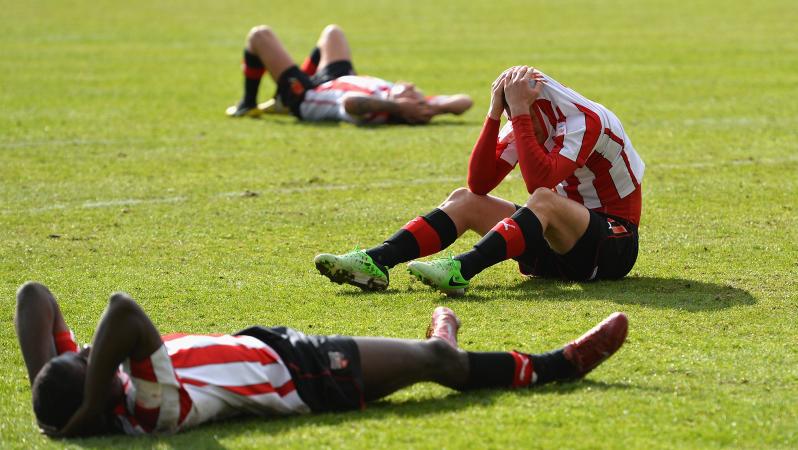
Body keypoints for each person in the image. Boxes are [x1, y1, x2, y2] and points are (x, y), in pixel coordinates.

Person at [15, 281, 627, 437]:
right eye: (86, 362)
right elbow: (123, 311)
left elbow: (32, 297)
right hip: (303, 377)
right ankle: (557, 366)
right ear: (103, 399)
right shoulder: (146, 408)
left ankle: (444, 337)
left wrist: (49, 389)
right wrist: (89, 400)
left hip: (273, 347)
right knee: (439, 366)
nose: (93, 351)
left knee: (429, 357)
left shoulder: (104, 391)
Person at [314, 66, 645, 296]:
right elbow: (480, 183)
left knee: (543, 199)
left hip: (613, 246)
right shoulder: (527, 118)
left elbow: (538, 182)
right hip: (558, 247)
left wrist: (518, 113)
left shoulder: (583, 120)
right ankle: (376, 261)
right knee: (464, 200)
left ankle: (461, 269)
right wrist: (493, 114)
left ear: (536, 106)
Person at [225, 24, 473, 124]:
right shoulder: (412, 103)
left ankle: (248, 104)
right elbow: (464, 101)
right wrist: (435, 107)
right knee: (333, 33)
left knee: (260, 36)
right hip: (337, 78)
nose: (410, 85)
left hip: (308, 97)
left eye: (411, 90)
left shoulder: (379, 109)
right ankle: (282, 96)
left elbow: (351, 103)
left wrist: (399, 106)